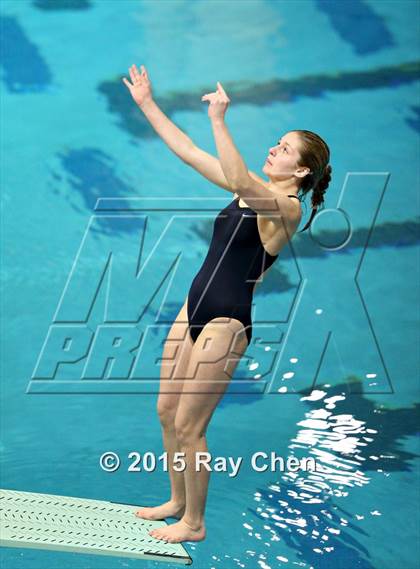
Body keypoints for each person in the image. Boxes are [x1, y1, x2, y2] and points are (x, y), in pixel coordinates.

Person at [122, 64, 332, 544]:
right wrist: (148, 104)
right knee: (165, 411)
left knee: (190, 427)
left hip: (226, 320)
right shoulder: (248, 192)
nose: (274, 149)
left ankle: (194, 523)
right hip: (193, 308)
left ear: (300, 171)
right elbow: (191, 153)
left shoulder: (287, 208)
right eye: (276, 143)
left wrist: (220, 119)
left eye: (284, 148)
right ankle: (176, 501)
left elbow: (237, 175)